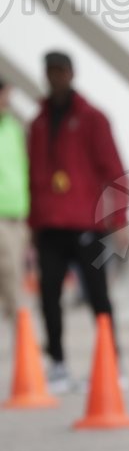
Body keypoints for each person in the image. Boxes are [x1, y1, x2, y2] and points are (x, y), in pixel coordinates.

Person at [28, 51, 128, 393]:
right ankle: (57, 365)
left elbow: (115, 171)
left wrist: (120, 219)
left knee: (98, 296)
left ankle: (112, 363)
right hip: (49, 225)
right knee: (48, 296)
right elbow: (32, 175)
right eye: (50, 71)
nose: (55, 77)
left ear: (71, 73)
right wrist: (32, 225)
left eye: (60, 71)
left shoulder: (92, 118)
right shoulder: (38, 123)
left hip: (88, 223)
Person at [0, 79, 29, 323]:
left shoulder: (13, 127)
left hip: (17, 212)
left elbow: (23, 168)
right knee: (9, 275)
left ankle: (22, 338)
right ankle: (22, 334)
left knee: (14, 275)